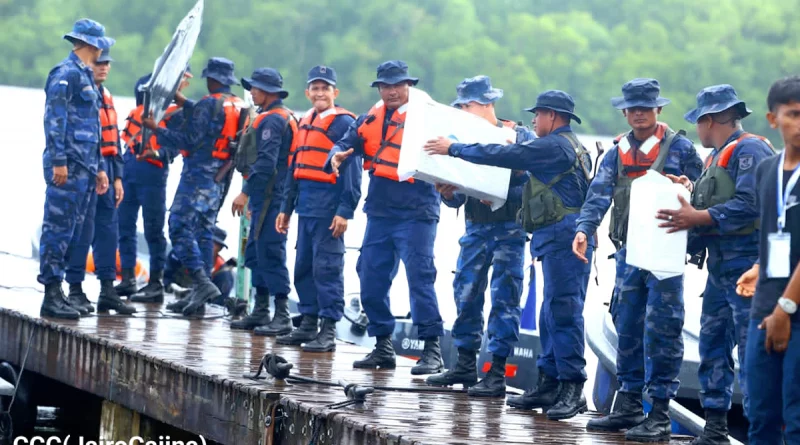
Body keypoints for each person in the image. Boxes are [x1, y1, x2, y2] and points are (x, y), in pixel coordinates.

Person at [425, 90, 594, 420]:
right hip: (553, 238)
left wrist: (453, 149)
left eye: (538, 114)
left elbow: (505, 155)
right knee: (549, 314)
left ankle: (574, 388)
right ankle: (548, 383)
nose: (533, 120)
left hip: (564, 239)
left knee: (564, 313)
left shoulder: (554, 145)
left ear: (552, 117)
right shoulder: (565, 146)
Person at [573, 78, 703, 442]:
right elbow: (598, 195)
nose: (639, 115)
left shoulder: (680, 149)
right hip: (629, 251)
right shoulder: (616, 153)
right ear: (625, 112)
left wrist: (689, 187)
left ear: (658, 110)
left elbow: (703, 191)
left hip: (665, 254)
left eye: (646, 108)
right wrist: (584, 229)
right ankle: (628, 404)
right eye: (632, 109)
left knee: (663, 328)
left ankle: (659, 411)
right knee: (626, 322)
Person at [655, 85, 774, 444]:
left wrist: (699, 216)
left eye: (699, 123)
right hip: (720, 271)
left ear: (709, 121)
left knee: (751, 354)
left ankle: (760, 434)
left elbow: (750, 204)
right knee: (713, 347)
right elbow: (716, 198)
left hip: (747, 270)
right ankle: (716, 428)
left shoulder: (750, 149)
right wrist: (688, 191)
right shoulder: (716, 157)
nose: (698, 131)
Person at [325, 60, 444, 375]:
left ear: (409, 86)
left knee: (420, 278)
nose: (391, 91)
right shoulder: (370, 117)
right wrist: (334, 153)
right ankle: (382, 346)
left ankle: (432, 350)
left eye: (397, 85)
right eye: (385, 86)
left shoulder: (428, 118)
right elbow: (344, 143)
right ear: (379, 89)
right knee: (370, 276)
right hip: (380, 212)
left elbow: (449, 157)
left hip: (418, 213)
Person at [424, 75, 533, 398]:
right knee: (465, 293)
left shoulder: (519, 135)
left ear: (487, 103)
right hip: (475, 229)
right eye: (460, 105)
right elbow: (456, 194)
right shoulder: (459, 138)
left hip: (509, 230)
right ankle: (464, 364)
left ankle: (497, 371)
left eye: (467, 105)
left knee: (505, 299)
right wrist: (446, 191)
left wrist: (500, 191)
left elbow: (530, 184)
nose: (462, 110)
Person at [142, 57, 244, 316]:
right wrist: (183, 101)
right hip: (219, 181)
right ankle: (200, 296)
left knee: (178, 226)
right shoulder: (236, 103)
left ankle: (201, 282)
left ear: (211, 79)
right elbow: (210, 120)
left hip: (197, 178)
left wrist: (156, 129)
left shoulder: (210, 103)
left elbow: (189, 140)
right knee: (204, 231)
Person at [272, 65, 360, 351]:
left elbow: (352, 170)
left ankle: (328, 328)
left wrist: (345, 210)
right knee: (304, 266)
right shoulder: (306, 120)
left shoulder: (343, 124)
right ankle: (308, 322)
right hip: (305, 205)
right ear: (307, 92)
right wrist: (286, 207)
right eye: (315, 88)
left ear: (335, 92)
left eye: (326, 88)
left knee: (327, 267)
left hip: (329, 205)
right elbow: (294, 168)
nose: (320, 93)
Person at [735, 75, 800, 445]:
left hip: (790, 312)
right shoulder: (766, 171)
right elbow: (778, 235)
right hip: (765, 311)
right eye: (793, 114)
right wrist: (760, 267)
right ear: (773, 119)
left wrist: (785, 310)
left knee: (797, 417)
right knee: (760, 418)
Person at [37, 18, 115, 319]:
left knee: (73, 230)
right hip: (66, 168)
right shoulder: (65, 74)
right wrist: (58, 161)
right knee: (57, 228)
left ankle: (61, 293)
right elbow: (54, 121)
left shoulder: (85, 76)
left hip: (84, 169)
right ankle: (51, 293)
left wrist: (98, 168)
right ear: (91, 44)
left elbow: (92, 128)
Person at [63, 47, 133, 315]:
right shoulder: (84, 94)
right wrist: (99, 171)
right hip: (87, 174)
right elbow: (87, 140)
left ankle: (107, 290)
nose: (104, 67)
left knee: (108, 231)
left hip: (107, 176)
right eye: (99, 63)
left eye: (107, 64)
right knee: (83, 233)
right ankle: (75, 290)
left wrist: (118, 178)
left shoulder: (106, 95)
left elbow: (112, 141)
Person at [227, 68, 296, 335]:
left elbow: (266, 164)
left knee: (271, 252)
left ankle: (282, 314)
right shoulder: (273, 116)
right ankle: (261, 310)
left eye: (255, 88)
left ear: (267, 92)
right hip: (265, 197)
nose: (252, 92)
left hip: (272, 197)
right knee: (256, 252)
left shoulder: (273, 121)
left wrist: (245, 192)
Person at [118, 68, 193, 303]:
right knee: (124, 226)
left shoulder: (174, 116)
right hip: (128, 170)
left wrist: (157, 152)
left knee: (153, 230)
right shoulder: (138, 108)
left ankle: (155, 283)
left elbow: (174, 148)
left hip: (153, 175)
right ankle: (128, 278)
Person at [164, 226, 234, 305]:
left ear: (220, 248)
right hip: (172, 297)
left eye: (212, 244)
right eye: (204, 241)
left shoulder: (223, 274)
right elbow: (166, 278)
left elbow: (219, 302)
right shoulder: (178, 254)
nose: (207, 246)